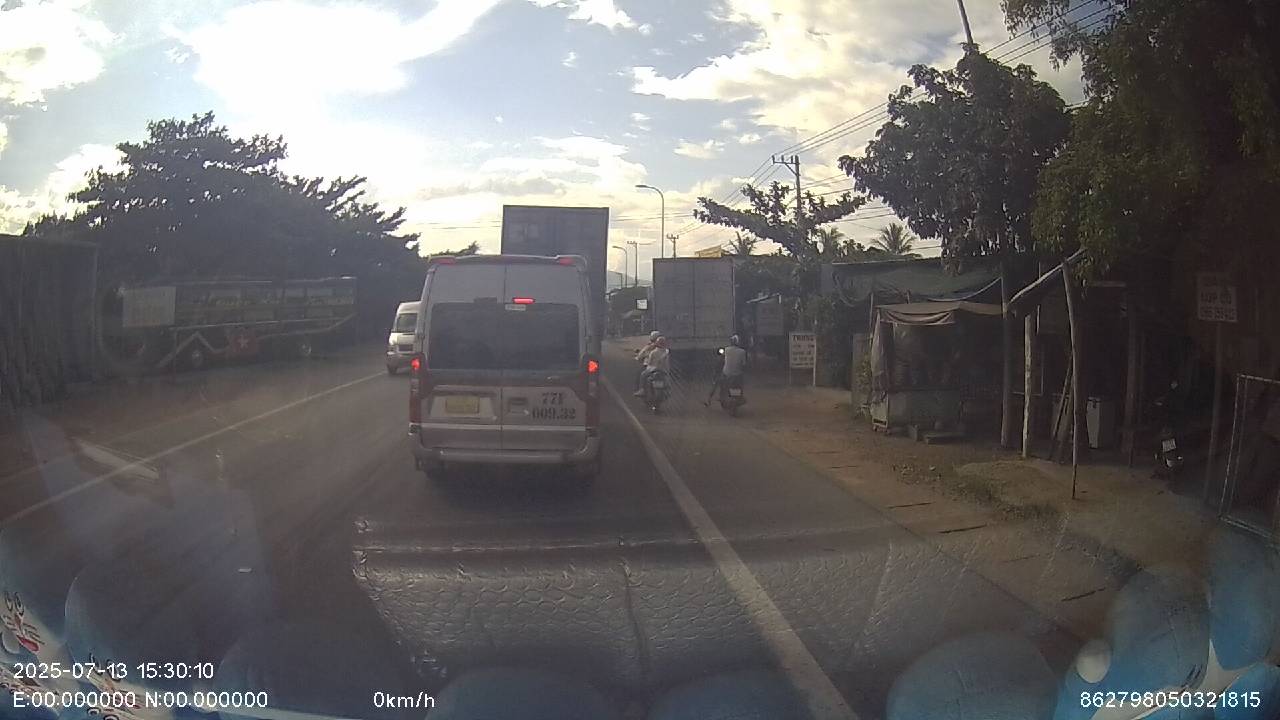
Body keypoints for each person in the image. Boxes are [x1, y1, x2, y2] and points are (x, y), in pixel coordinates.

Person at [705, 334, 747, 405]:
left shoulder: (726, 349)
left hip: (726, 374)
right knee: (740, 384)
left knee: (715, 382)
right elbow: (744, 365)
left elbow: (720, 359)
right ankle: (739, 397)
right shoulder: (743, 352)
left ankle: (708, 400)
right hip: (737, 375)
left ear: (731, 342)